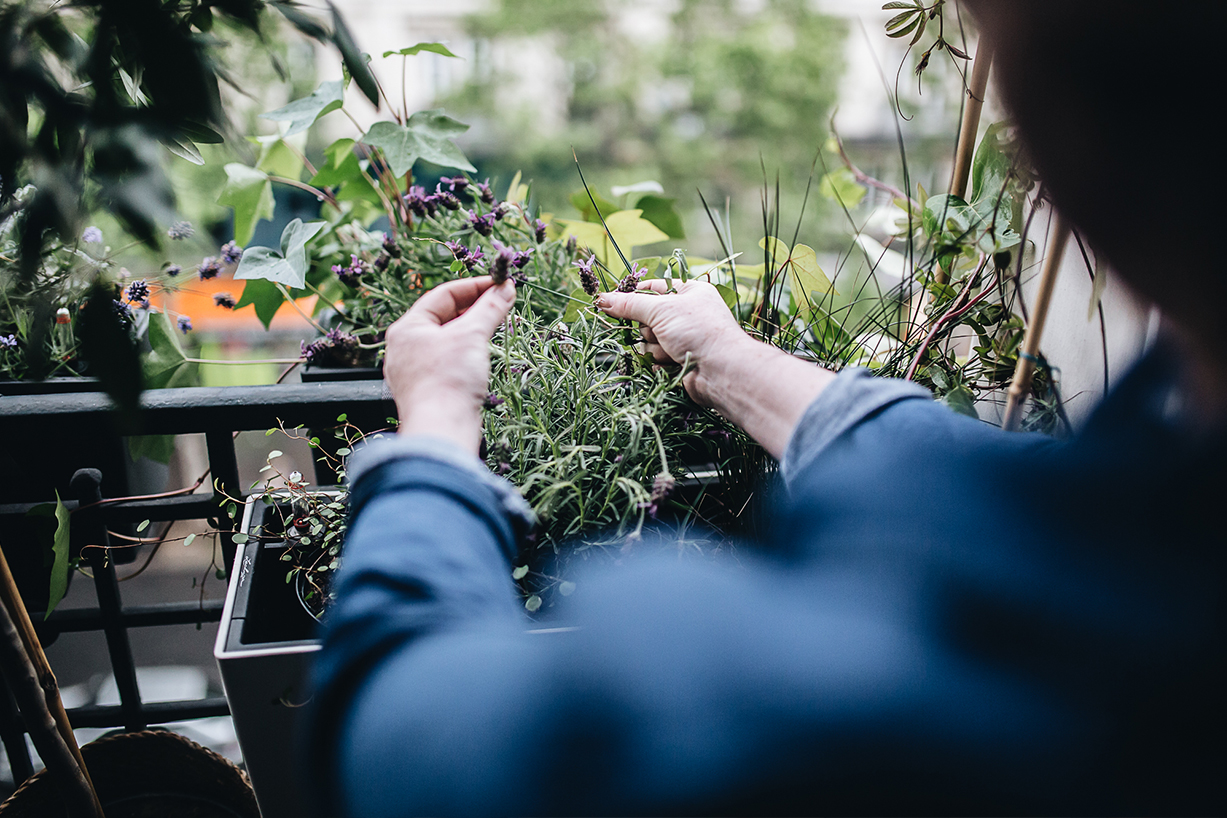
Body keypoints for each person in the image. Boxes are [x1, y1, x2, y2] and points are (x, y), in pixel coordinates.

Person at [304, 1, 1225, 813]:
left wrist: (433, 426)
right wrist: (732, 361)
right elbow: (1015, 484)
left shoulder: (773, 709)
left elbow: (397, 738)